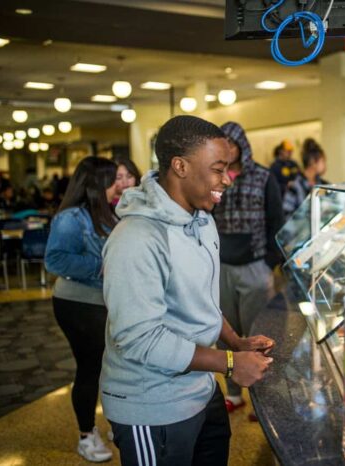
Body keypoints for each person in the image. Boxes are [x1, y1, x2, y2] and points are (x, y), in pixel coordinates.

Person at [100, 115, 274, 466]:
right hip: (152, 403)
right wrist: (228, 364)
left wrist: (235, 342)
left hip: (198, 388)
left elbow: (203, 302)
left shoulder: (203, 220)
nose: (227, 180)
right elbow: (140, 339)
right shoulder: (136, 239)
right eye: (217, 169)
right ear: (180, 166)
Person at [44, 156, 119, 462]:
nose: (119, 185)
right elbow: (55, 260)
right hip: (76, 302)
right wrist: (102, 265)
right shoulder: (71, 218)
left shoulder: (105, 212)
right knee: (89, 369)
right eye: (114, 179)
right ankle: (86, 436)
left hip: (101, 302)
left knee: (108, 367)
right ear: (98, 183)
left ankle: (114, 422)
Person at [213, 121, 284, 411]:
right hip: (222, 267)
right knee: (226, 334)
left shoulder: (263, 177)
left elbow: (277, 223)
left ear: (241, 145)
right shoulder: (215, 177)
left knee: (256, 334)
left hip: (255, 266)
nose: (226, 149)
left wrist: (269, 263)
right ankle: (233, 393)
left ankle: (261, 400)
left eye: (231, 143)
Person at [282, 138, 328, 218]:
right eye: (323, 161)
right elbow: (286, 216)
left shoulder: (323, 185)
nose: (325, 165)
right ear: (313, 162)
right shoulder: (295, 186)